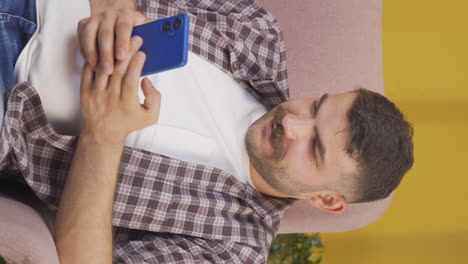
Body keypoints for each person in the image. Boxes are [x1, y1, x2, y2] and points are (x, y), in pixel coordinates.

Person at [0, 0, 414, 263]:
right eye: (315, 106)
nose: (291, 123)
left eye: (314, 147)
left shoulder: (231, 247)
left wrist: (104, 136)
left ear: (326, 199)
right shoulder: (259, 36)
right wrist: (115, 9)